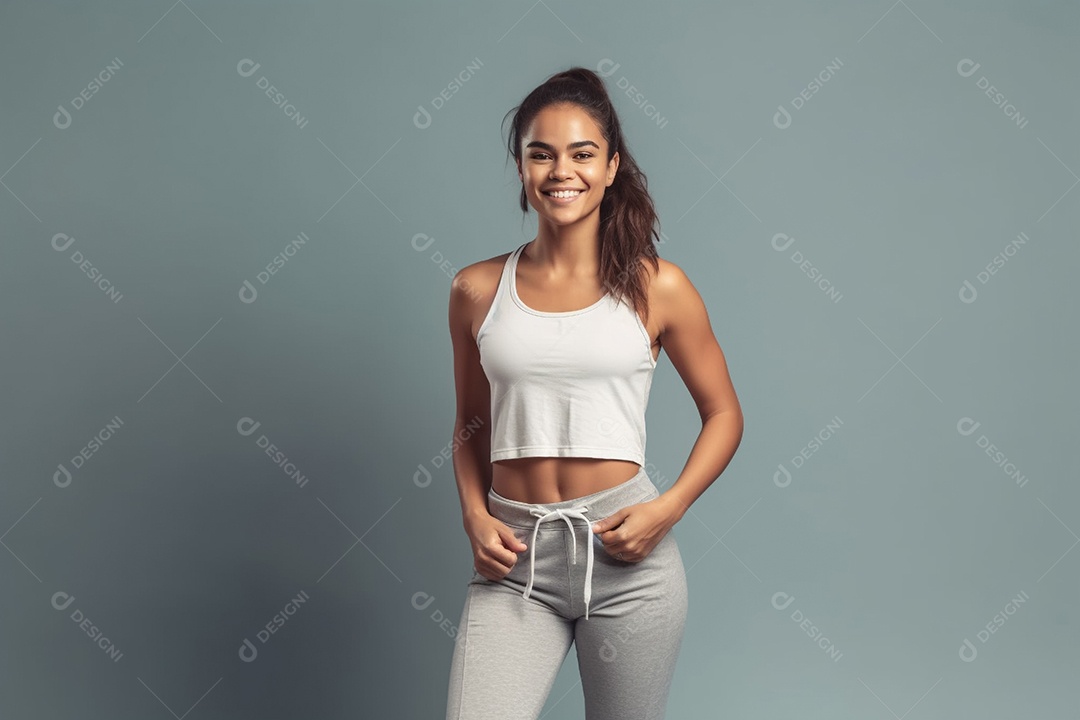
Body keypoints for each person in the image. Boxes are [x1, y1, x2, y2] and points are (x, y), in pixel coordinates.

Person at [444, 66, 743, 720]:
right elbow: (471, 424)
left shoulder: (659, 287)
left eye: (582, 154)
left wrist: (669, 509)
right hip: (515, 563)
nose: (561, 171)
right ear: (521, 169)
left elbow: (724, 415)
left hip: (628, 562)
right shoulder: (474, 290)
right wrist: (473, 514)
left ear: (611, 168)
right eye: (540, 154)